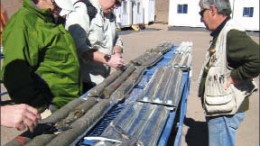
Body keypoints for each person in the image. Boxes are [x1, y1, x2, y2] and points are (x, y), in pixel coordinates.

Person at [1, 0, 82, 112]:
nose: (60, 8)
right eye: (55, 3)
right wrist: (39, 107)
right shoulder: (22, 24)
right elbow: (14, 75)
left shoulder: (49, 19)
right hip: (53, 109)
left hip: (69, 102)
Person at [198, 0, 260, 146]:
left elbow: (257, 59)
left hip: (224, 111)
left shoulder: (231, 34)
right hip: (221, 106)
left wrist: (235, 77)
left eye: (201, 13)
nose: (201, 18)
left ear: (212, 10)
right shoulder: (222, 31)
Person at [63, 0, 125, 92]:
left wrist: (117, 53)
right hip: (83, 82)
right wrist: (108, 59)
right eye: (116, 2)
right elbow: (77, 47)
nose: (116, 7)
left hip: (101, 80)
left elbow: (116, 39)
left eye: (119, 4)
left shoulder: (109, 14)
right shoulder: (82, 10)